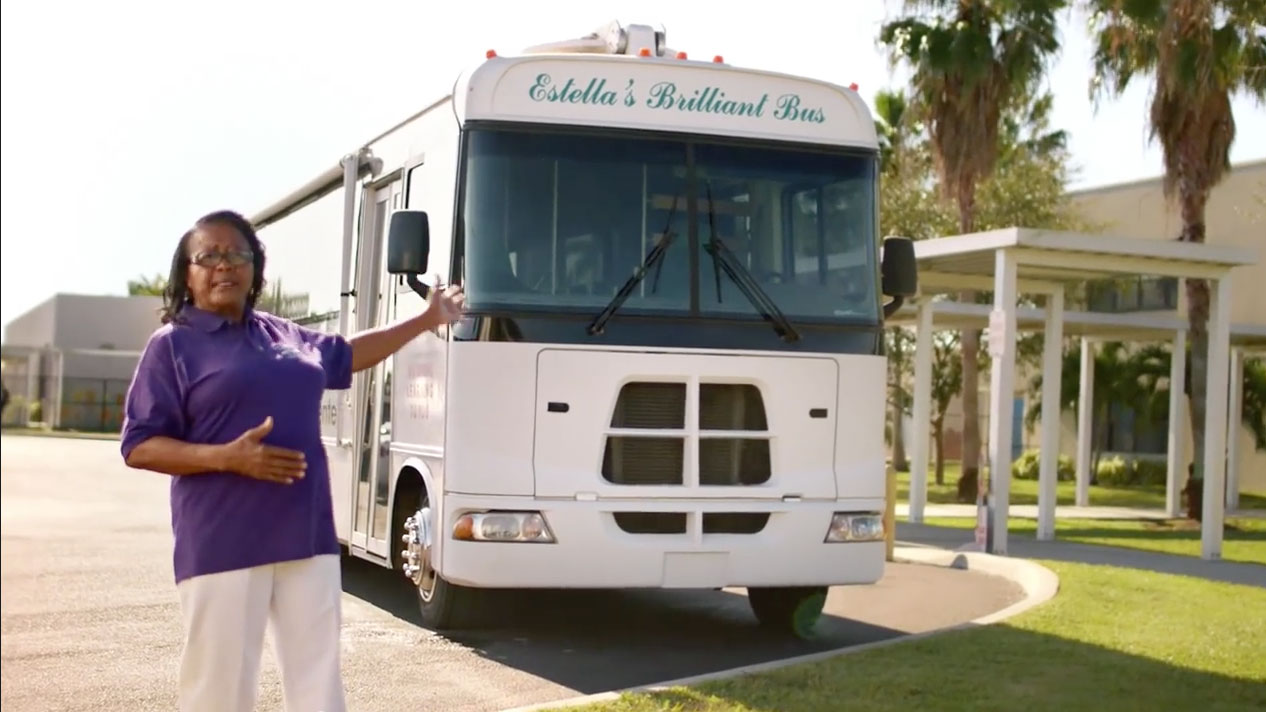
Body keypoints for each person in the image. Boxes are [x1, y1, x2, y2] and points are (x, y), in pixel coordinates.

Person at [120, 209, 464, 712]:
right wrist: (226, 458)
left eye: (237, 254)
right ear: (186, 274)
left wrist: (427, 319)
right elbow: (139, 445)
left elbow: (348, 355)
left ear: (255, 268)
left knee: (318, 685)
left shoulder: (280, 333)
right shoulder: (172, 345)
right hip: (224, 541)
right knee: (219, 691)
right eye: (208, 256)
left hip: (307, 536)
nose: (224, 265)